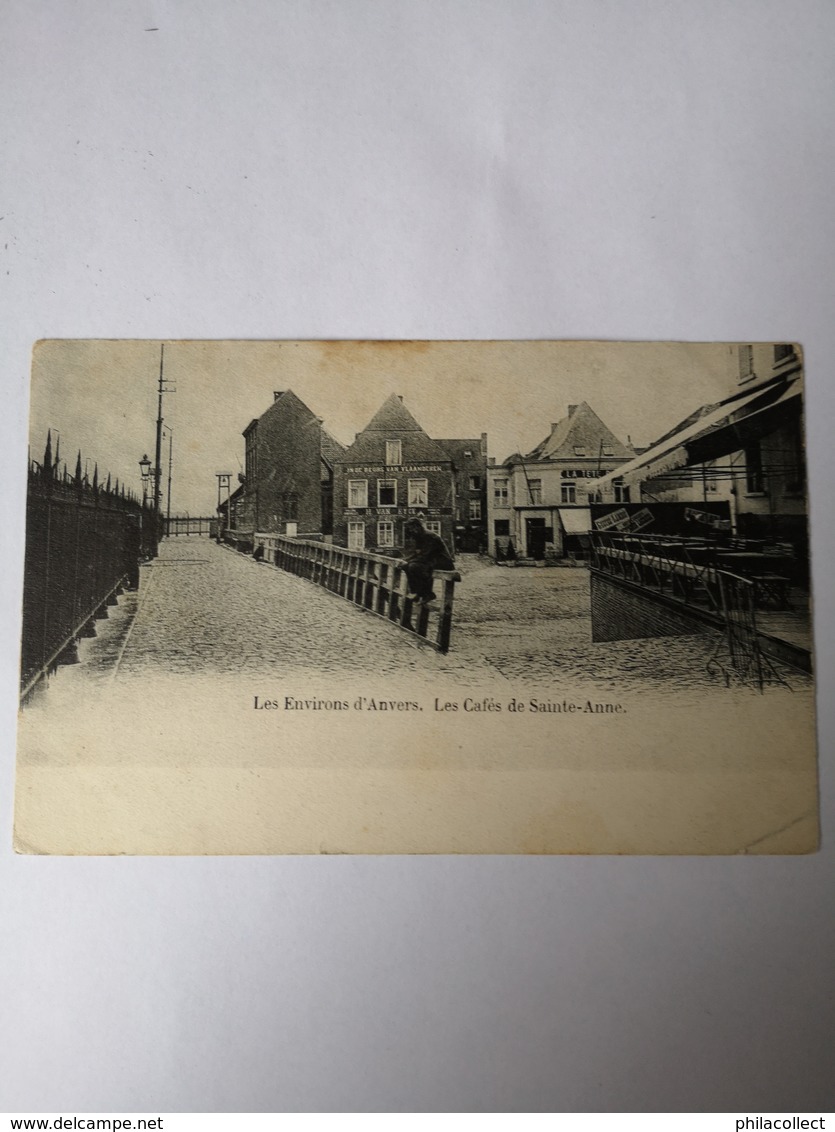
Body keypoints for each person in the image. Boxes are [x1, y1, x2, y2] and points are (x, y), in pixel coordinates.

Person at [400, 517, 455, 604]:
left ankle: (428, 594)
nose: (411, 531)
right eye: (410, 529)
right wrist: (405, 560)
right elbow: (418, 553)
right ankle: (417, 592)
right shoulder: (419, 537)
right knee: (405, 566)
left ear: (418, 527)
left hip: (443, 561)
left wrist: (410, 561)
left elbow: (425, 555)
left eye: (412, 529)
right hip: (431, 559)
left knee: (415, 566)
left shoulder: (429, 536)